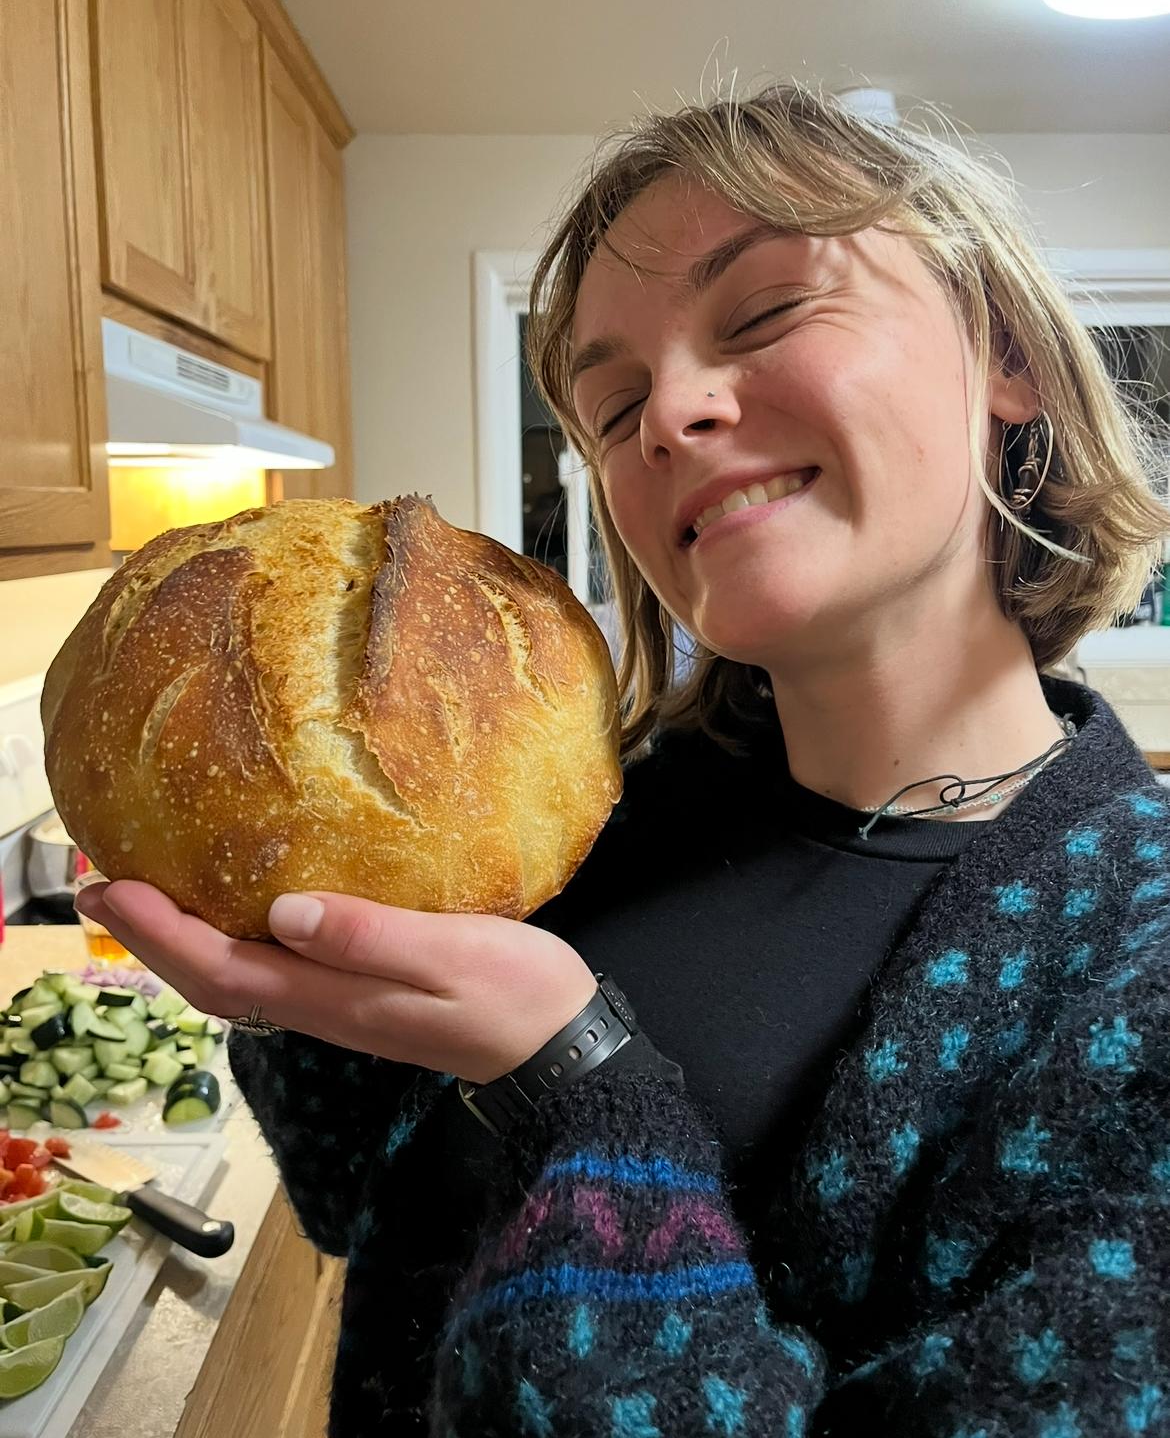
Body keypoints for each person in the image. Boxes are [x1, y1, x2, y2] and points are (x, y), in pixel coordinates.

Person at [77, 82, 1170, 1437]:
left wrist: (574, 1082)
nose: (669, 414)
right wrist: (289, 971)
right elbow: (362, 1195)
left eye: (763, 312)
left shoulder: (1136, 971)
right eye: (610, 404)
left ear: (1003, 357)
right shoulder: (582, 810)